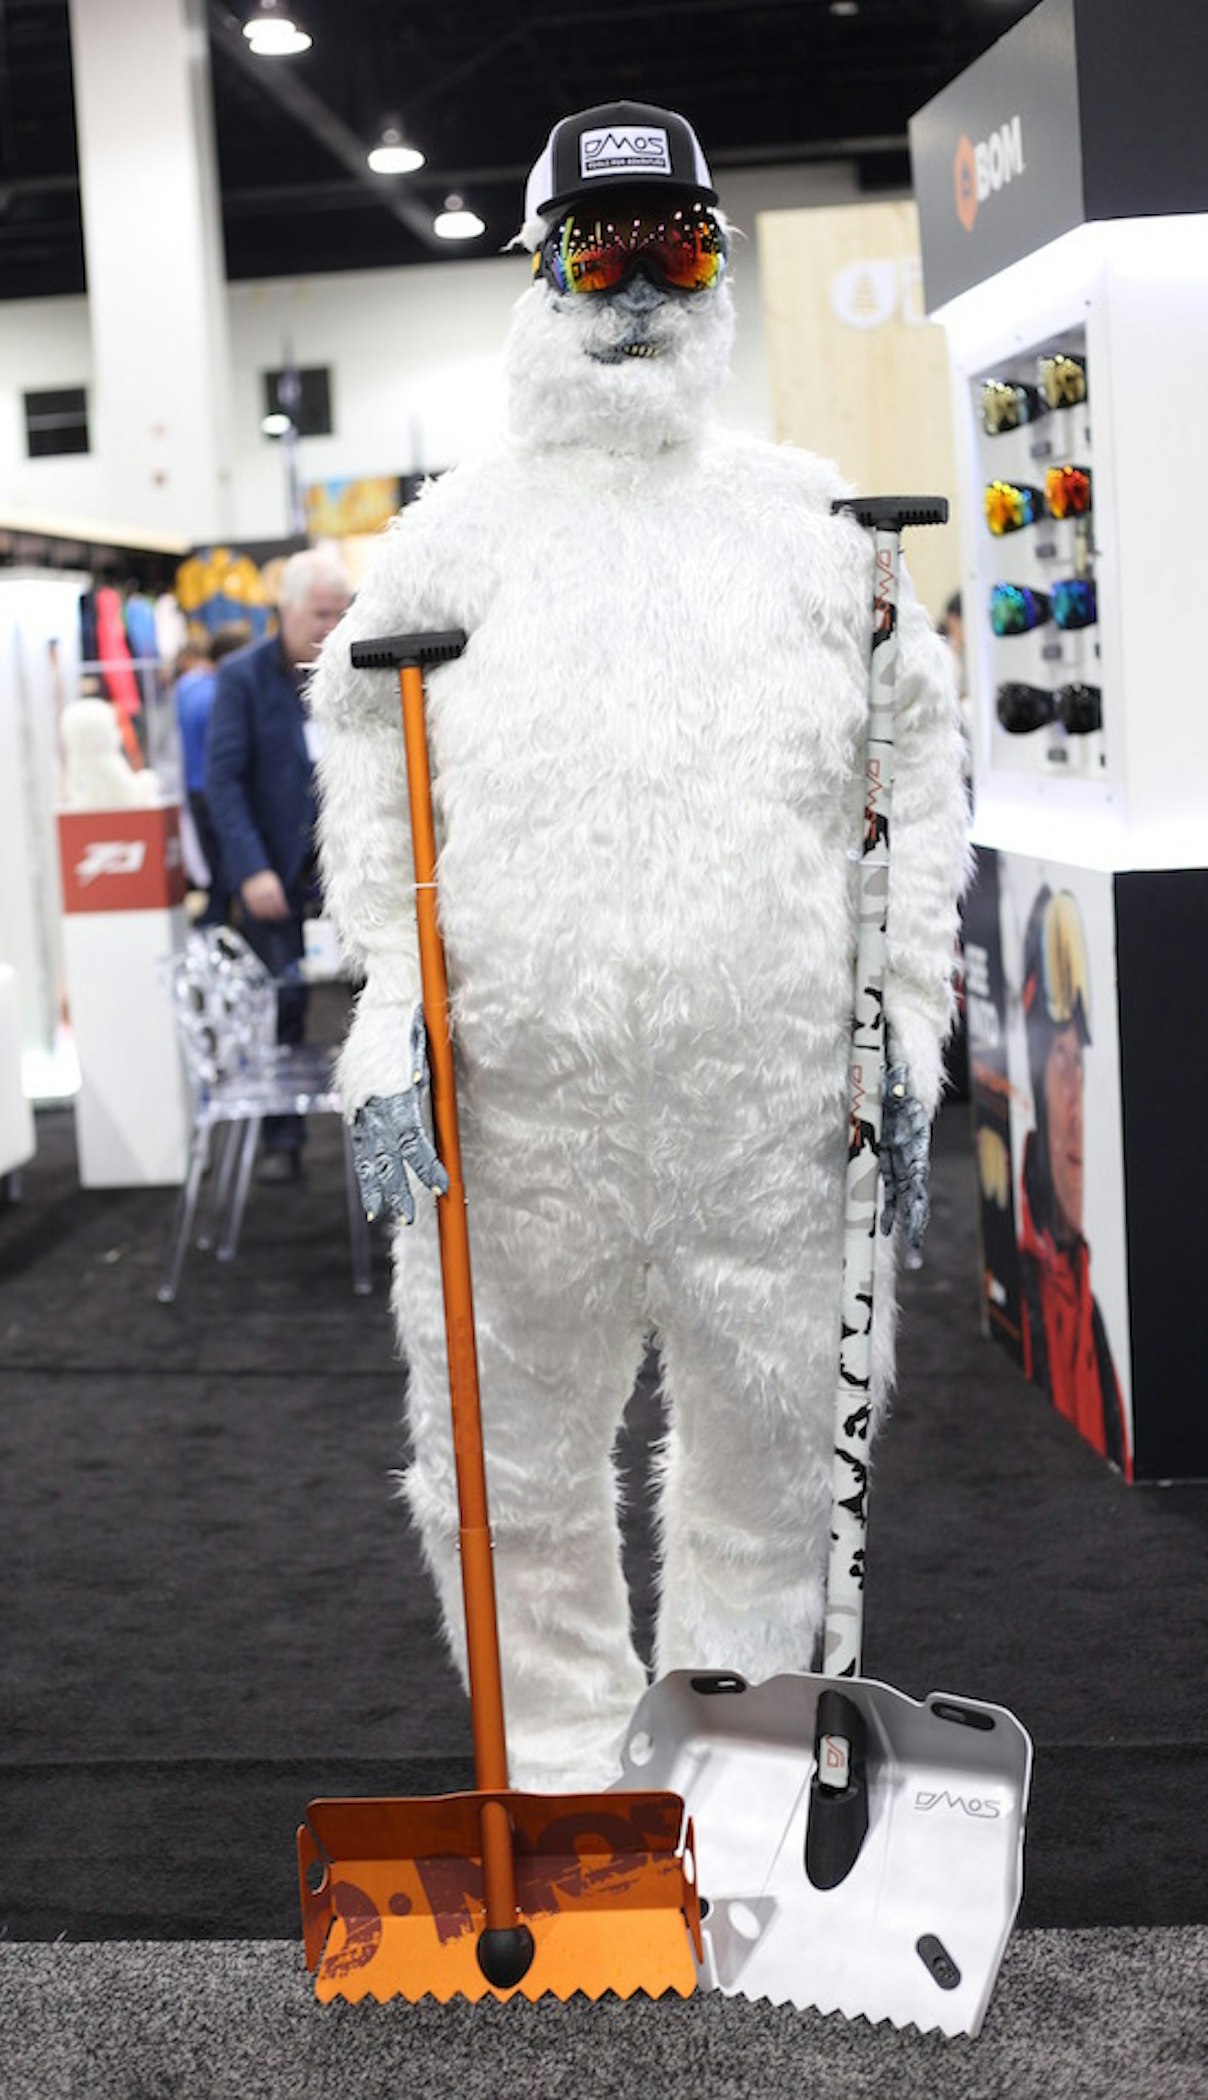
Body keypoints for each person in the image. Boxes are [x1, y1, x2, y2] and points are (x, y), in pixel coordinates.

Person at [310, 100, 968, 1790]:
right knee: (509, 1472)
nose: (638, 299)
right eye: (598, 256)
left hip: (773, 1108)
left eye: (675, 252)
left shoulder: (817, 531)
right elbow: (374, 789)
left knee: (778, 1465)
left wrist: (903, 1028)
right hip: (523, 1115)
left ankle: (733, 1781)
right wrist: (392, 1023)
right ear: (538, 272)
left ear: (719, 272)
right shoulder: (455, 542)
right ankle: (555, 1781)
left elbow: (914, 780)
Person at [204, 545, 353, 1173]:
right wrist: (251, 868)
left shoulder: (357, 664)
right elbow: (223, 781)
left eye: (341, 611)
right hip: (276, 870)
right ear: (287, 611)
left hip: (347, 869)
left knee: (372, 1000)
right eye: (321, 613)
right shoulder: (242, 679)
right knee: (279, 1008)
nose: (333, 625)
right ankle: (282, 1144)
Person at [1018, 884, 1131, 1473]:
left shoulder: (1096, 1328)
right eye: (1060, 1063)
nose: (1076, 1106)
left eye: (1079, 1067)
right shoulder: (1021, 1290)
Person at [175, 624, 249, 926]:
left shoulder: (186, 686)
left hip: (196, 788)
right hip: (214, 791)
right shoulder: (216, 695)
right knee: (225, 871)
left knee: (217, 868)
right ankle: (214, 929)